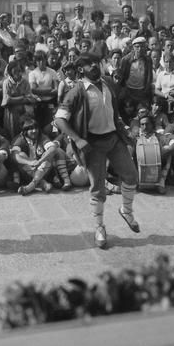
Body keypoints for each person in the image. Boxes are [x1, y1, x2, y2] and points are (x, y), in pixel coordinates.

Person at [54, 52, 139, 250]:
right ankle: (99, 228)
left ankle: (126, 211)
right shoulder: (76, 91)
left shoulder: (108, 83)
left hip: (113, 139)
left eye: (95, 62)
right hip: (93, 145)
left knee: (131, 175)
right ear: (80, 69)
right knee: (98, 189)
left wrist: (125, 131)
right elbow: (59, 119)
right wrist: (78, 140)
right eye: (87, 64)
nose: (93, 65)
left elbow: (113, 113)